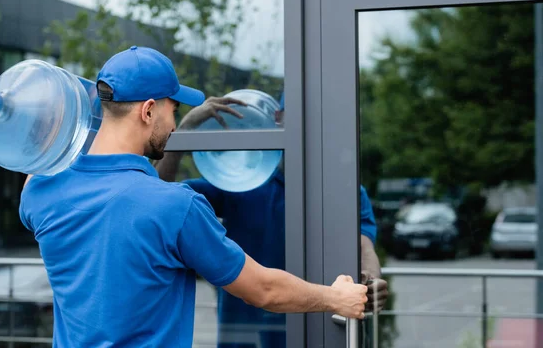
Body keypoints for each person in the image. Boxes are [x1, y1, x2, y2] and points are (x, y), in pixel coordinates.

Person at [19, 46, 368, 348]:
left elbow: (68, 155)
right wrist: (335, 297)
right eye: (173, 110)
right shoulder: (175, 207)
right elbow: (263, 291)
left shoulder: (39, 191)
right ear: (149, 110)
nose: (173, 125)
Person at [155, 93, 389, 347]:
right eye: (298, 118)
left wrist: (371, 280)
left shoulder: (347, 191)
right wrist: (186, 129)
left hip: (320, 332)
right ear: (278, 120)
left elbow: (364, 247)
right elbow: (159, 196)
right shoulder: (240, 182)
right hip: (243, 336)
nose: (307, 127)